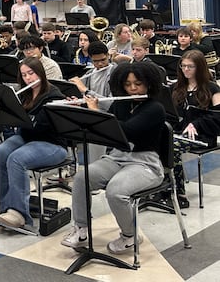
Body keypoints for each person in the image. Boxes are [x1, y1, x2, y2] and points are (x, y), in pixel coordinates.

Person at [62, 62, 166, 254]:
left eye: (138, 84)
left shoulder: (155, 108)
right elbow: (105, 130)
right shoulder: (121, 104)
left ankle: (130, 235)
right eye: (128, 84)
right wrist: (81, 110)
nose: (133, 89)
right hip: (117, 158)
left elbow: (125, 131)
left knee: (116, 191)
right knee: (81, 178)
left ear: (149, 84)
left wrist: (94, 112)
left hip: (145, 163)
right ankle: (82, 228)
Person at [0, 57, 67, 228]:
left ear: (41, 73)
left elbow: (41, 127)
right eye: (24, 75)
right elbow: (22, 125)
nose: (28, 78)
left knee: (16, 159)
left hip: (52, 143)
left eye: (31, 73)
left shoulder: (54, 95)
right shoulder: (24, 94)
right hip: (27, 138)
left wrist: (20, 118)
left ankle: (18, 212)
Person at [168, 50, 220, 208]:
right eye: (183, 66)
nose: (186, 70)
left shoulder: (211, 88)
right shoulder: (177, 87)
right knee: (158, 143)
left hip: (203, 136)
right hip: (180, 132)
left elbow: (218, 117)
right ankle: (165, 187)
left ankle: (179, 193)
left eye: (190, 66)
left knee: (172, 148)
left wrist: (195, 124)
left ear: (200, 67)